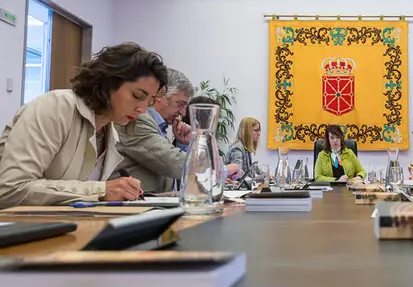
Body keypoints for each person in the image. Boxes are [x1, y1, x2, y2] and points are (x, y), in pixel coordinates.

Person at [0, 43, 168, 208]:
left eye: (150, 101)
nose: (142, 109)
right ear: (108, 82)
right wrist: (100, 190)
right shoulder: (56, 106)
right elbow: (10, 190)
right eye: (137, 95)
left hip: (62, 223)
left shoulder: (110, 132)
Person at [115, 70, 240, 193]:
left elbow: (175, 176)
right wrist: (220, 169)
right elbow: (172, 162)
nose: (183, 112)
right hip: (134, 202)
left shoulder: (158, 125)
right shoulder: (139, 120)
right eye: (180, 104)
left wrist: (183, 143)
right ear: (160, 96)